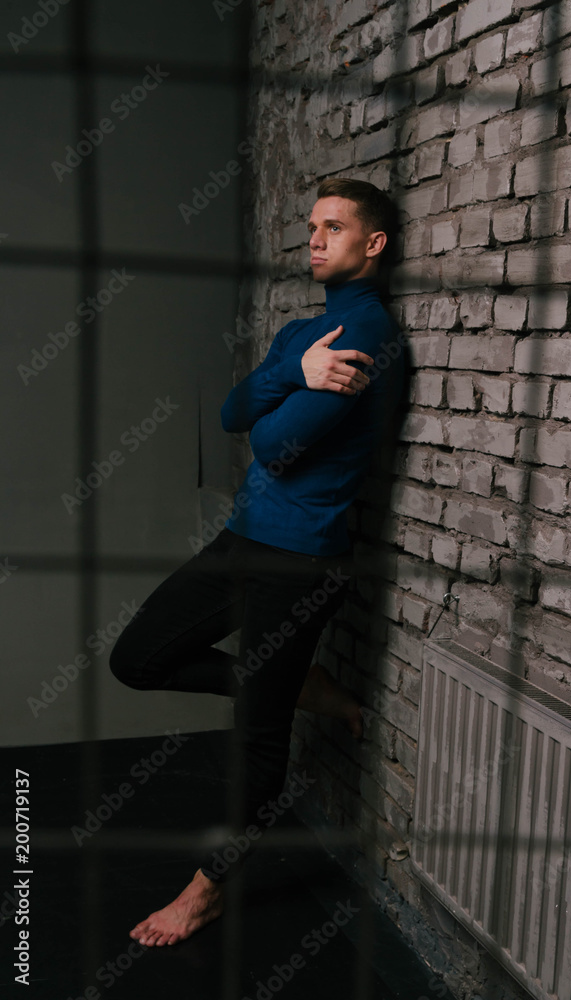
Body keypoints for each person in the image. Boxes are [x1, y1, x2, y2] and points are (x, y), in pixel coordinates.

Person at [109, 176, 406, 947]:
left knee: (257, 734)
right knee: (137, 657)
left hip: (302, 560)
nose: (313, 238)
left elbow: (274, 444)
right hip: (244, 537)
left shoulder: (367, 331)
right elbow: (232, 412)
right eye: (311, 225)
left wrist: (283, 393)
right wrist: (291, 375)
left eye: (333, 227)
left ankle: (204, 893)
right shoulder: (304, 334)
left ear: (371, 245)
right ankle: (303, 685)